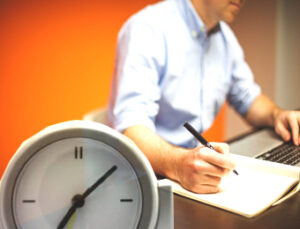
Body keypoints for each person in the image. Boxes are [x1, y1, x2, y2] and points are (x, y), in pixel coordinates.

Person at [107, 0, 300, 194]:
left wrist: (277, 115)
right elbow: (131, 130)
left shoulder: (225, 38)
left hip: (188, 174)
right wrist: (177, 164)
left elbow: (248, 98)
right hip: (140, 179)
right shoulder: (146, 29)